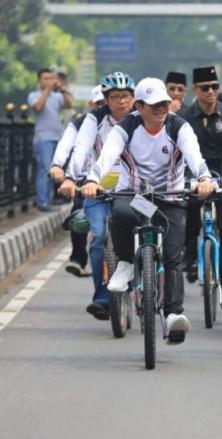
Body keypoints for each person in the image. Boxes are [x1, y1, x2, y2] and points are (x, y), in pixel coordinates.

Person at [81, 77, 215, 345]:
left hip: (170, 198)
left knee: (174, 257)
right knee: (120, 213)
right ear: (139, 106)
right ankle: (125, 264)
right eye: (154, 105)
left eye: (164, 103)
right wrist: (93, 180)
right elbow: (106, 156)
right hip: (135, 196)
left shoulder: (179, 127)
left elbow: (194, 155)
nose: (161, 109)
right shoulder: (126, 128)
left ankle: (173, 314)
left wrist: (204, 178)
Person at [59, 72, 136, 321]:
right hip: (97, 188)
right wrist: (70, 178)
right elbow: (81, 147)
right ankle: (102, 297)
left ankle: (148, 281)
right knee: (99, 236)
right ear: (106, 100)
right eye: (115, 97)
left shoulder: (142, 118)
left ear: (134, 98)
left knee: (150, 229)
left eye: (126, 96)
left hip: (135, 191)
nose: (122, 101)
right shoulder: (95, 119)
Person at [178, 66, 222, 309]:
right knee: (188, 214)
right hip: (192, 177)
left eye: (215, 87)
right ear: (195, 90)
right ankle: (191, 257)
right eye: (205, 88)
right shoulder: (183, 117)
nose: (211, 91)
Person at [50, 85, 105, 279]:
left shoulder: (129, 121)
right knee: (79, 215)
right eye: (100, 103)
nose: (105, 106)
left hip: (121, 184)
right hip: (86, 181)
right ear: (91, 104)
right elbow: (66, 145)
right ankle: (78, 259)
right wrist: (58, 166)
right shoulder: (82, 123)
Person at [28, 68, 74, 211]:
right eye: (46, 79)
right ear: (39, 81)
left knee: (54, 170)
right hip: (43, 138)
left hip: (58, 138)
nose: (49, 81)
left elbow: (69, 105)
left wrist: (63, 90)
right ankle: (42, 202)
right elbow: (38, 107)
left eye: (51, 78)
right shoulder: (34, 95)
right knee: (44, 170)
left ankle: (50, 199)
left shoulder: (57, 96)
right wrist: (48, 89)